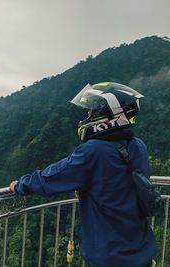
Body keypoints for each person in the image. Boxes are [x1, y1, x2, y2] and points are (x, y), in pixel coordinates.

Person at [10, 82, 156, 267]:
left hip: (110, 255)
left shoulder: (93, 151)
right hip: (141, 251)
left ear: (108, 115)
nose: (87, 116)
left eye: (90, 112)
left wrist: (20, 185)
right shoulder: (138, 146)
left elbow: (52, 178)